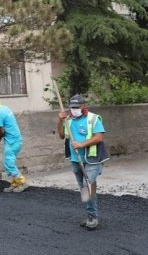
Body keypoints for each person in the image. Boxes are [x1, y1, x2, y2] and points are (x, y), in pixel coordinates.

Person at [57, 94, 109, 231]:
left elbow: (99, 137)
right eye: (72, 107)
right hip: (75, 160)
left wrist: (82, 144)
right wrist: (59, 121)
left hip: (92, 160)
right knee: (84, 189)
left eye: (77, 107)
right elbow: (62, 135)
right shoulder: (68, 119)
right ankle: (89, 214)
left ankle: (92, 216)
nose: (74, 109)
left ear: (83, 106)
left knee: (87, 186)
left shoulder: (93, 119)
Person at [0, 97, 27, 193]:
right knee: (9, 162)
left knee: (8, 163)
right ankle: (15, 183)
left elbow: (1, 130)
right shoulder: (4, 108)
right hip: (16, 140)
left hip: (12, 141)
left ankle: (22, 182)